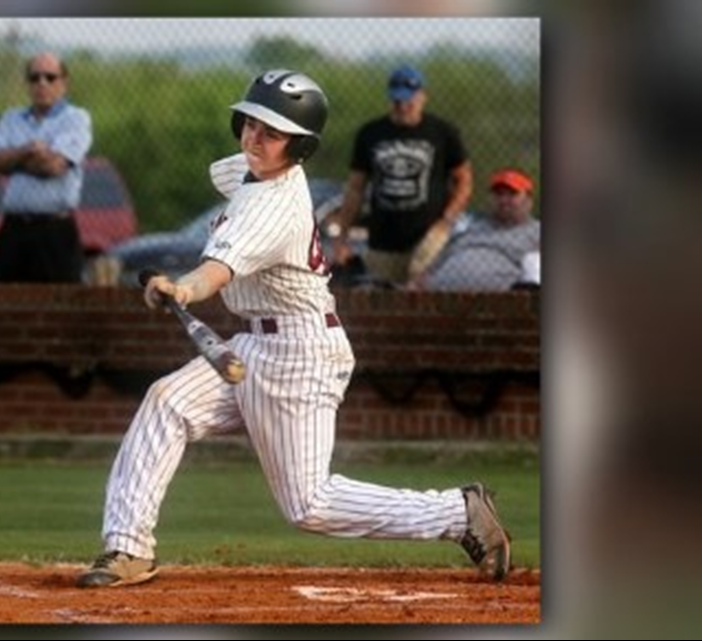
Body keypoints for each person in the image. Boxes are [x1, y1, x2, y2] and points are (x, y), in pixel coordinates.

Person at [76, 69, 511, 589]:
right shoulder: (254, 171)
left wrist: (184, 289)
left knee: (309, 504)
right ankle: (127, 547)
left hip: (299, 354)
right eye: (251, 123)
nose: (256, 138)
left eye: (273, 132)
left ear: (299, 146)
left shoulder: (272, 205)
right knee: (166, 401)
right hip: (255, 341)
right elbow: (233, 173)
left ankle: (459, 514)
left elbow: (216, 271)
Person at [329, 64, 473, 286]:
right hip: (383, 239)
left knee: (420, 289)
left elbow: (464, 179)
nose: (403, 107)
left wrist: (448, 218)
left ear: (423, 97)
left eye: (409, 100)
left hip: (428, 234)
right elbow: (356, 188)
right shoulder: (371, 134)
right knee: (383, 298)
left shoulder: (442, 133)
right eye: (398, 101)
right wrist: (342, 237)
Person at [0, 52, 93, 283]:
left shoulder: (75, 119)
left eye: (50, 77)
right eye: (35, 78)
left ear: (64, 82)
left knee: (60, 307)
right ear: (28, 83)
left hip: (55, 231)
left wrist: (13, 161)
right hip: (13, 229)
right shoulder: (11, 118)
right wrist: (27, 151)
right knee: (5, 305)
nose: (42, 83)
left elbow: (55, 166)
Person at [415, 168, 541, 291]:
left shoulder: (535, 230)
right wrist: (416, 283)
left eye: (512, 194)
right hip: (437, 297)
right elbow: (436, 262)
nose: (503, 200)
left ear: (528, 200)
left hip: (499, 301)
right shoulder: (469, 223)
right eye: (498, 194)